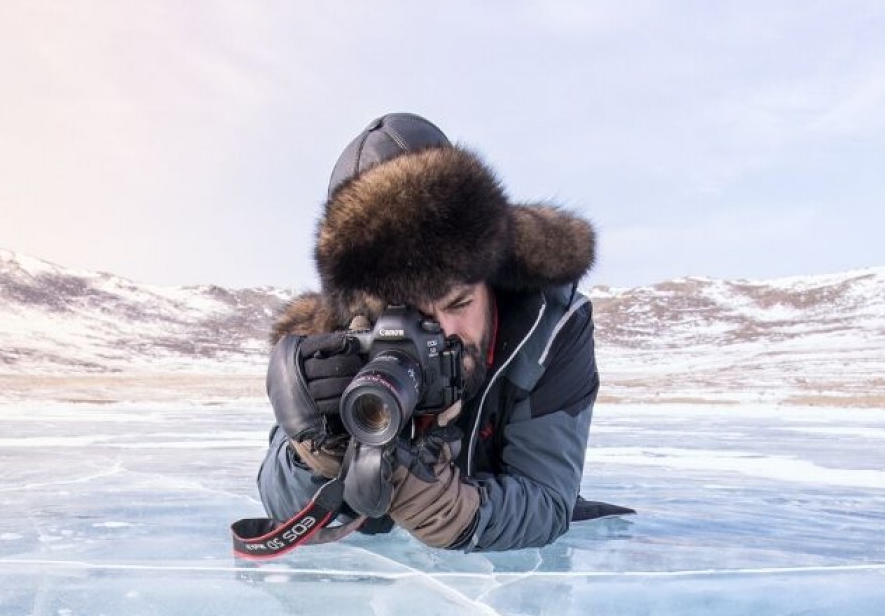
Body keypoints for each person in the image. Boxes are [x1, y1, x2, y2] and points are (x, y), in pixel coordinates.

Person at [255, 112, 629, 553]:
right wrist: (313, 452)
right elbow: (279, 499)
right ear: (363, 310)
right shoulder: (332, 343)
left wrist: (456, 515)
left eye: (459, 303)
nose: (445, 330)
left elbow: (547, 499)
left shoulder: (549, 324)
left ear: (489, 275)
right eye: (409, 315)